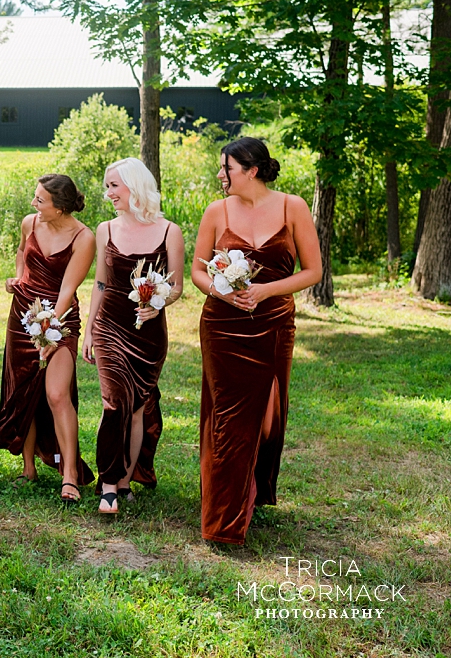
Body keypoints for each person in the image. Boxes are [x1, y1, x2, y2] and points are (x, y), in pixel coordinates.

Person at [191, 137, 321, 544]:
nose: (220, 175)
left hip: (274, 324)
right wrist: (222, 292)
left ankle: (252, 486)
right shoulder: (216, 211)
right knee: (228, 419)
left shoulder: (292, 207)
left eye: (226, 168)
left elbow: (313, 271)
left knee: (267, 420)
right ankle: (223, 517)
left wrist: (266, 291)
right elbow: (197, 272)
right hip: (223, 326)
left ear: (251, 170)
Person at [82, 158, 184, 514]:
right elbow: (100, 282)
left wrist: (158, 304)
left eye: (113, 186)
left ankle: (125, 479)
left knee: (137, 408)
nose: (108, 193)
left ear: (135, 185)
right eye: (107, 186)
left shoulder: (170, 231)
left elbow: (176, 286)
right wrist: (89, 330)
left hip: (148, 334)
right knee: (113, 402)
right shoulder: (105, 229)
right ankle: (109, 484)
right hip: (109, 326)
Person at [0, 174, 95, 502]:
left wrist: (48, 328)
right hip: (22, 316)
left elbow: (67, 290)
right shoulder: (29, 223)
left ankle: (70, 474)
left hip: (59, 320)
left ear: (60, 207)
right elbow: (22, 251)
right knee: (23, 390)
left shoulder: (84, 237)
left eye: (40, 200)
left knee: (56, 393)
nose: (33, 203)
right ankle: (28, 468)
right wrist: (17, 278)